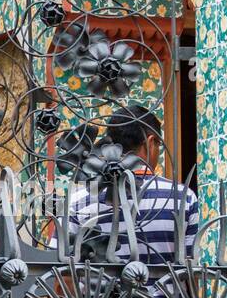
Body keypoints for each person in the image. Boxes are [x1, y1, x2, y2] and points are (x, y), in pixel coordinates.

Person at [66, 104, 199, 274]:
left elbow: (64, 275)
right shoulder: (182, 198)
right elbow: (190, 273)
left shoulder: (79, 200)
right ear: (150, 142)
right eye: (158, 145)